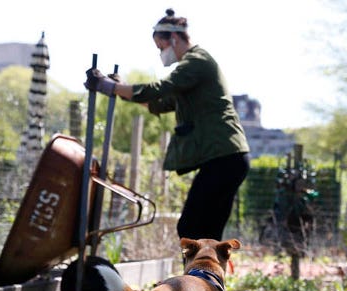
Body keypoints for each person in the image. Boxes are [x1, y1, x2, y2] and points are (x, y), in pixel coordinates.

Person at [84, 8, 250, 242]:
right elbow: (161, 103)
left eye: (161, 47)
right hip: (228, 158)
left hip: (224, 157)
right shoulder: (193, 70)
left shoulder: (196, 62)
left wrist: (109, 87)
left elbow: (159, 89)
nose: (161, 54)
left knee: (190, 228)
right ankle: (206, 278)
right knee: (207, 234)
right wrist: (122, 89)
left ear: (173, 38)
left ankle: (197, 278)